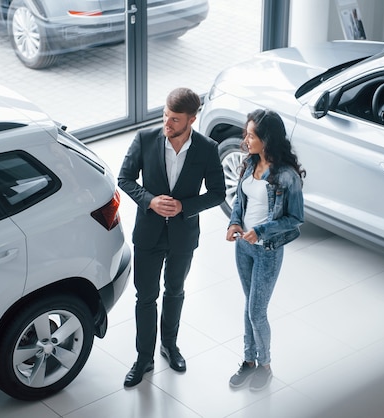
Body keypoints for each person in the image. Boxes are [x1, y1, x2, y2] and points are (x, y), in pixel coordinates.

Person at [118, 87, 225, 387]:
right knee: (145, 297)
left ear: (192, 119)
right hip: (148, 235)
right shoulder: (145, 140)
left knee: (175, 292)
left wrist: (184, 207)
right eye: (165, 115)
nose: (167, 123)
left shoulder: (207, 148)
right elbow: (124, 178)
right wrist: (148, 200)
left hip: (183, 236)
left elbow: (218, 193)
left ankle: (169, 346)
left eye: (175, 119)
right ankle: (143, 358)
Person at [225, 109, 305, 391]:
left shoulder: (286, 176)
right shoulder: (250, 164)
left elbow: (295, 219)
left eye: (251, 135)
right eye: (246, 134)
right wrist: (234, 223)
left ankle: (265, 365)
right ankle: (248, 361)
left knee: (257, 311)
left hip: (267, 250)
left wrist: (260, 231)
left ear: (267, 140)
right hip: (243, 248)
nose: (245, 140)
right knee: (249, 307)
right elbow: (239, 200)